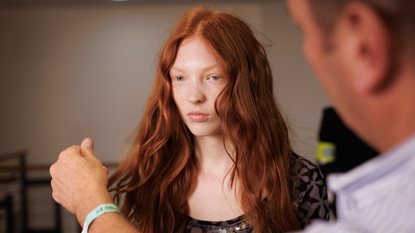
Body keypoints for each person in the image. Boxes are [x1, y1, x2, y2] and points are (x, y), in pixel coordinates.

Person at [50, 6, 329, 233]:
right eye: (180, 78)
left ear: (247, 83)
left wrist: (91, 204)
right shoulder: (154, 179)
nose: (194, 96)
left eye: (213, 77)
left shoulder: (299, 181)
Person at [287, 0, 415, 232]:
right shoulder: (331, 118)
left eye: (304, 31)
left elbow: (324, 153)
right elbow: (324, 152)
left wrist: (326, 169)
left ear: (363, 47)